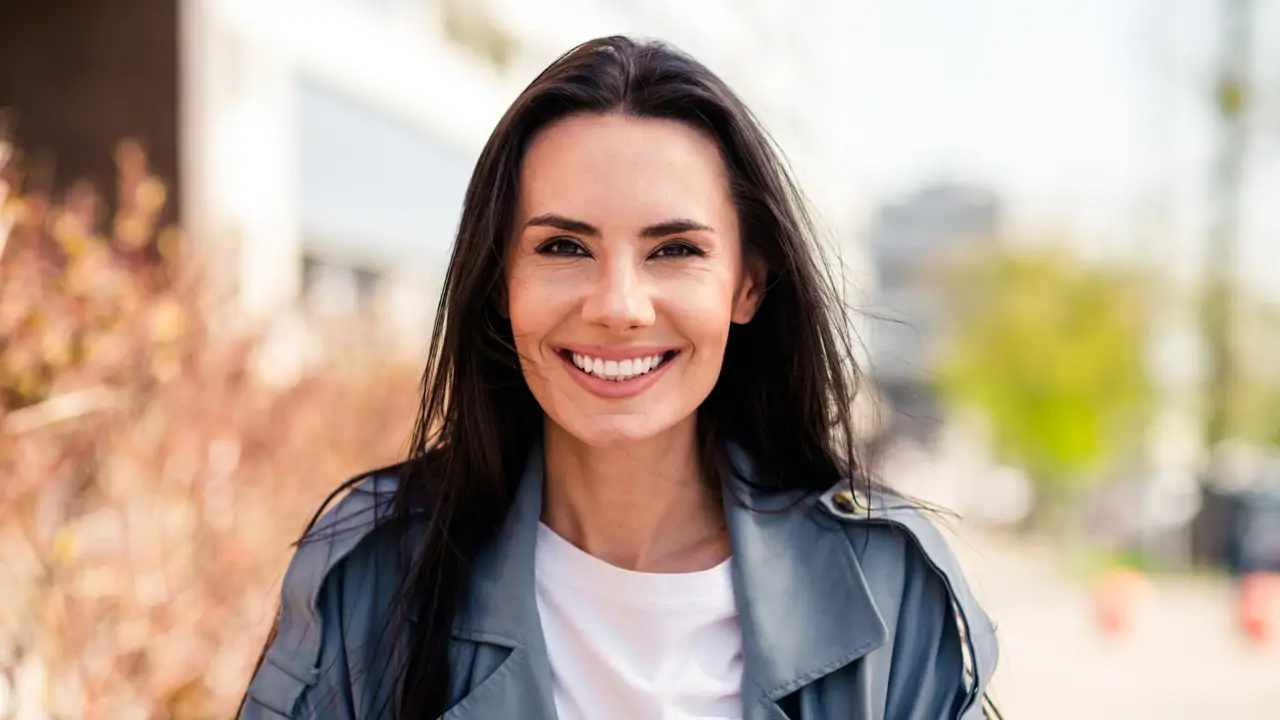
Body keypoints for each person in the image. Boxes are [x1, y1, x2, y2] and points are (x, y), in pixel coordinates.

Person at [238, 35, 999, 720]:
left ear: (749, 286)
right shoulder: (375, 575)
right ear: (501, 280)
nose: (618, 307)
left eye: (674, 251)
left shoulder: (888, 588)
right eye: (565, 247)